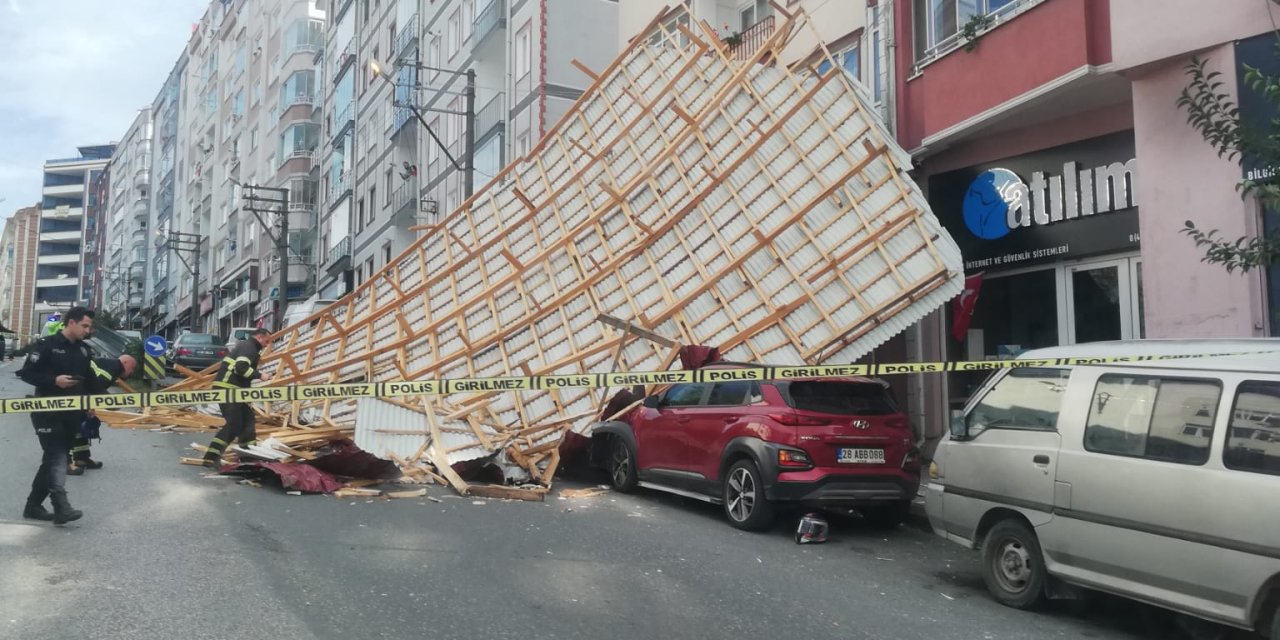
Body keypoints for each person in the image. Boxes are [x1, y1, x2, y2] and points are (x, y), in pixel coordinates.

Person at [17, 307, 135, 525]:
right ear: (71, 323)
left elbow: (91, 383)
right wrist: (54, 381)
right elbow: (26, 373)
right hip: (47, 413)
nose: (88, 330)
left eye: (89, 326)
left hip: (73, 414)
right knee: (57, 456)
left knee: (51, 460)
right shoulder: (46, 345)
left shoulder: (83, 351)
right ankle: (61, 507)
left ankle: (32, 506)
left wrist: (110, 402)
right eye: (85, 326)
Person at [202, 328, 273, 468]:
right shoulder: (249, 347)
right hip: (228, 389)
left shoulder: (249, 347)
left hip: (236, 391)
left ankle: (248, 457)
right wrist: (260, 375)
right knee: (234, 425)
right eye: (267, 340)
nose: (267, 344)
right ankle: (211, 457)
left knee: (248, 422)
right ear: (259, 337)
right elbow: (240, 368)